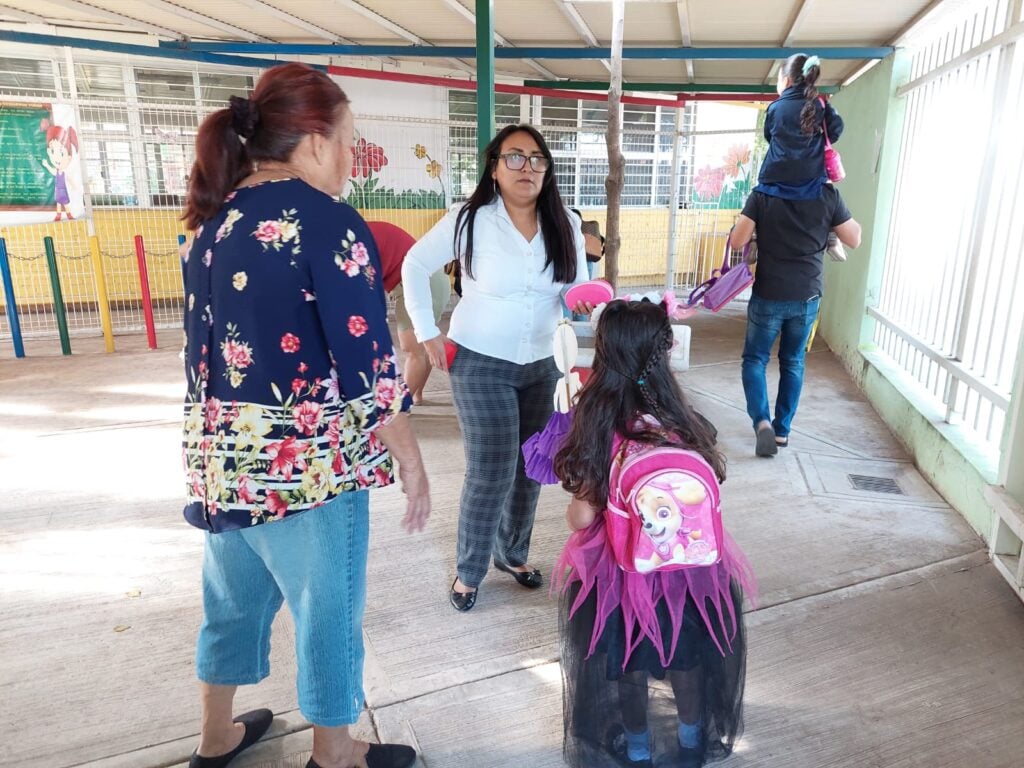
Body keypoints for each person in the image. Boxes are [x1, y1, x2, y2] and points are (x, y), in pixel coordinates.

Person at [180, 62, 429, 768]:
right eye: (351, 141)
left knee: (230, 604)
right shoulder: (326, 222)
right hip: (306, 470)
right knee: (328, 611)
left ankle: (214, 737)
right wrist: (408, 458)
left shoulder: (210, 222)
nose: (354, 158)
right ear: (315, 140)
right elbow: (369, 362)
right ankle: (334, 752)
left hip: (221, 468)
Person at [553, 298, 755, 768]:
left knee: (628, 666)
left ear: (605, 355)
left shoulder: (600, 423)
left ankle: (639, 750)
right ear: (664, 354)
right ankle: (689, 743)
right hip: (692, 572)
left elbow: (583, 518)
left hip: (624, 578)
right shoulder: (686, 420)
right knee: (687, 659)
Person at [401, 123, 590, 611]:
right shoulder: (469, 219)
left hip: (544, 361)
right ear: (494, 166)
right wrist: (426, 333)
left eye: (537, 159)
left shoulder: (566, 222)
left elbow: (574, 290)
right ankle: (469, 570)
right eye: (515, 157)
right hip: (481, 360)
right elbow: (415, 265)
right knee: (491, 468)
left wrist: (587, 301)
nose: (527, 168)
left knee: (531, 464)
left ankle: (513, 555)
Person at [730, 175, 861, 458]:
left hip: (769, 292)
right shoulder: (828, 195)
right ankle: (781, 430)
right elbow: (855, 239)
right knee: (793, 361)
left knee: (755, 359)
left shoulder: (763, 194)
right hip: (807, 295)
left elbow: (737, 240)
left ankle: (762, 420)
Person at [756, 53, 848, 261]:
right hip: (811, 178)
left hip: (775, 176)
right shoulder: (821, 105)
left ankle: (753, 236)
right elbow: (836, 129)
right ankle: (832, 236)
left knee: (757, 198)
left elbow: (769, 136)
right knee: (829, 199)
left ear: (786, 81)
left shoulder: (775, 108)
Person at [366, 220, 452, 405]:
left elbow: (366, 291)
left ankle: (400, 408)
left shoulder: (357, 240)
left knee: (412, 348)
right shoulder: (362, 231)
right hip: (430, 281)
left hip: (422, 284)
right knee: (422, 346)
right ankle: (416, 395)